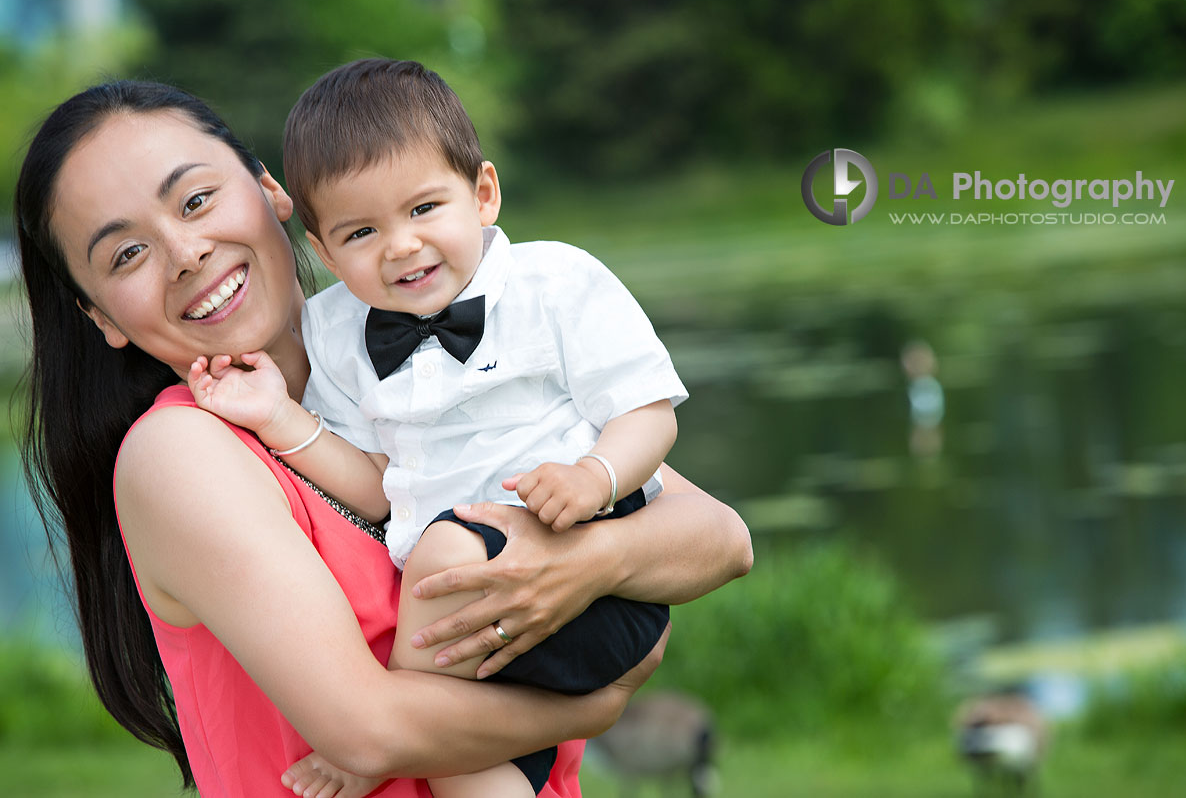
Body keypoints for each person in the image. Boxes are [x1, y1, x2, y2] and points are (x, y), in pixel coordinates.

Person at [13, 79, 753, 797]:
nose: (184, 251)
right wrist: (595, 703)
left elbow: (719, 537)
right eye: (126, 254)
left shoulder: (438, 353)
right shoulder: (180, 452)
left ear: (272, 191)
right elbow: (365, 734)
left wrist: (587, 562)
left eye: (197, 199)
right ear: (101, 315)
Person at [186, 58, 688, 798]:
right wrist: (280, 417)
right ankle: (419, 740)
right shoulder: (336, 334)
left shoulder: (555, 284)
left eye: (424, 209)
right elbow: (377, 488)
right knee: (465, 768)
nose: (401, 245)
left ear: (482, 194)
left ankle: (376, 739)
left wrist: (593, 477)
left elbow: (646, 410)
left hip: (588, 576)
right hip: (469, 628)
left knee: (446, 548)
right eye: (361, 230)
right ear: (323, 252)